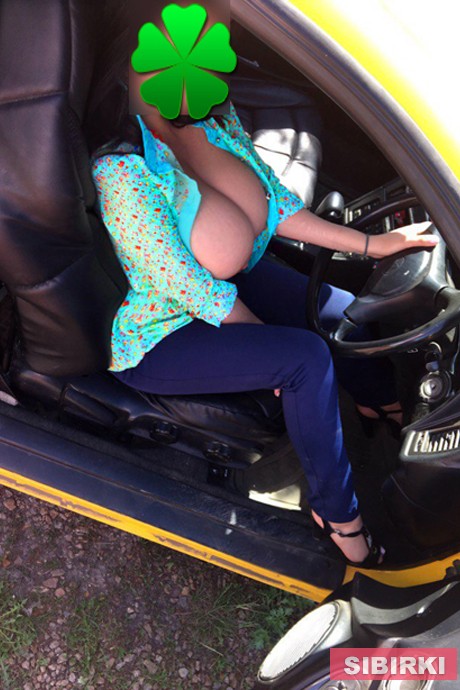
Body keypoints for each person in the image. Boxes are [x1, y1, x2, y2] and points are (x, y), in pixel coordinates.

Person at [86, 2, 439, 567]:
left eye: (213, 47)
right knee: (302, 360)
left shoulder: (215, 123)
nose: (200, 64)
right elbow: (184, 285)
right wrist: (260, 340)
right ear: (132, 58)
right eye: (177, 50)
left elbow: (277, 207)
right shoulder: (121, 169)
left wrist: (373, 245)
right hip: (164, 331)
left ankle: (384, 406)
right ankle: (337, 514)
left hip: (231, 281)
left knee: (346, 314)